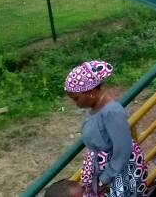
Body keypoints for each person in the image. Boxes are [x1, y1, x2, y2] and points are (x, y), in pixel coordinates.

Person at [64, 61, 149, 197]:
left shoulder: (112, 112)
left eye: (76, 99)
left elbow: (123, 149)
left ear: (90, 92)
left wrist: (105, 179)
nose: (76, 104)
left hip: (118, 172)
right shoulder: (95, 107)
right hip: (107, 169)